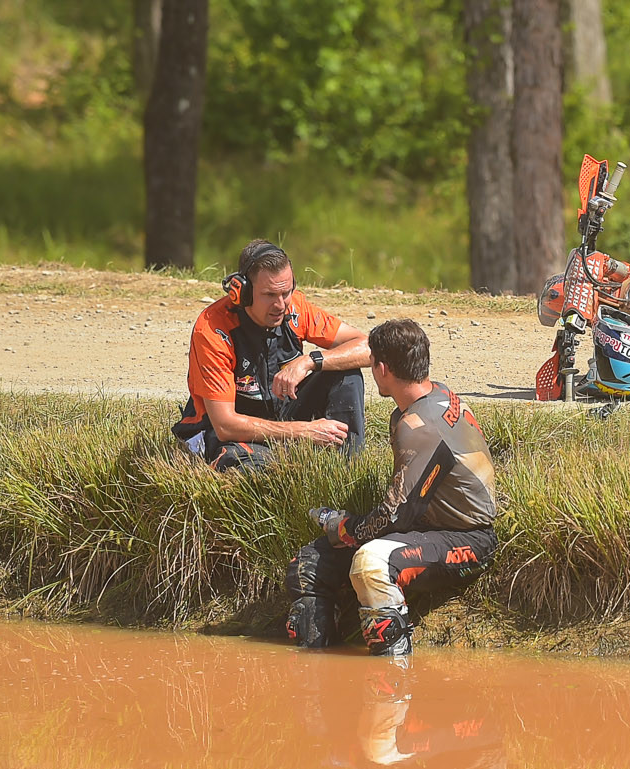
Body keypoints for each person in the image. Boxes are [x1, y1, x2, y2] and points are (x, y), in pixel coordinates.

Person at [284, 318, 500, 657]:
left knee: (371, 563)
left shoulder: (417, 425)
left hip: (470, 540)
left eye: (371, 363)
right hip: (426, 529)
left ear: (382, 368)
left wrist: (344, 526)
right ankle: (317, 673)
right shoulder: (432, 395)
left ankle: (392, 673)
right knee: (308, 564)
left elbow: (395, 515)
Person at [174, 240, 373, 471]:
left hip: (282, 416)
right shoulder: (213, 330)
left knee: (345, 372)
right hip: (229, 433)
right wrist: (305, 431)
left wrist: (310, 361)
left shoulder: (295, 308)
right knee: (263, 469)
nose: (280, 304)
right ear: (242, 292)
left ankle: (346, 471)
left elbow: (369, 347)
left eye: (286, 292)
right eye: (269, 294)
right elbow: (225, 425)